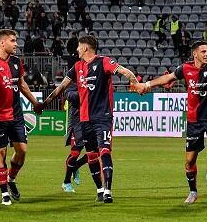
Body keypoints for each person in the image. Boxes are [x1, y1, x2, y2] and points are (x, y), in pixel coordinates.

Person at [133, 41, 207, 205]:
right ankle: (193, 191)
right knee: (190, 160)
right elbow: (168, 78)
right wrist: (147, 85)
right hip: (194, 121)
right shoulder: (185, 68)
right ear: (195, 54)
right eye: (203, 51)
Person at [40, 35, 139, 203]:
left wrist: (135, 83)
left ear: (85, 48)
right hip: (84, 119)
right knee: (92, 155)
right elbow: (61, 87)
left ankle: (108, 190)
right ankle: (100, 189)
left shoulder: (104, 62)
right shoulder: (77, 66)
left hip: (102, 117)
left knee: (105, 151)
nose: (77, 50)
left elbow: (125, 72)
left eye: (79, 47)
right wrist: (44, 104)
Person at [0, 29, 42, 205]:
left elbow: (21, 84)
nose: (16, 44)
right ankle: (4, 193)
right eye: (13, 41)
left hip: (17, 115)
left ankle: (11, 179)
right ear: (2, 43)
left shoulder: (16, 62)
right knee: (1, 152)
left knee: (22, 151)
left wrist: (34, 102)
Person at [61, 85, 93, 193]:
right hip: (77, 123)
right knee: (75, 153)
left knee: (95, 153)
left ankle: (75, 166)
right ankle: (66, 182)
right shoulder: (73, 83)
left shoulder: (93, 79)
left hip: (91, 122)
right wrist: (87, 91)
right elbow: (71, 96)